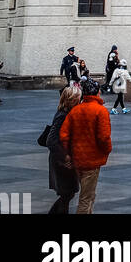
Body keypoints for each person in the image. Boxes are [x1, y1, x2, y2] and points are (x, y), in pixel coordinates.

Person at [59, 77, 112, 215]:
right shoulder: (100, 111)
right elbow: (104, 137)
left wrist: (69, 153)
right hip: (92, 160)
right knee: (86, 197)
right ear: (97, 92)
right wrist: (107, 150)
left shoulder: (75, 110)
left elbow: (64, 135)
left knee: (88, 194)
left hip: (78, 158)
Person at [47, 84, 81, 214]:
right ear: (71, 99)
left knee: (67, 194)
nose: (80, 100)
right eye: (78, 98)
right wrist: (65, 157)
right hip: (61, 161)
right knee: (67, 194)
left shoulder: (66, 113)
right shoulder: (62, 115)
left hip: (63, 159)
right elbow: (51, 140)